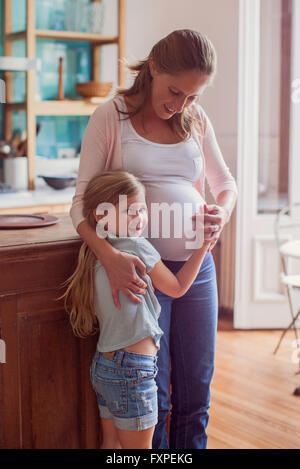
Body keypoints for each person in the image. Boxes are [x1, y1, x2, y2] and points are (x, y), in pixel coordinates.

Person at [70, 29, 238, 449]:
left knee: (197, 390)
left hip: (196, 271)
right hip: (139, 275)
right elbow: (78, 207)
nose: (180, 105)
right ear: (154, 69)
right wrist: (109, 257)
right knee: (152, 393)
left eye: (193, 97)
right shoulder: (112, 117)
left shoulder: (195, 120)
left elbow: (225, 184)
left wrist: (220, 214)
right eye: (175, 91)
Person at [62, 170, 209, 449]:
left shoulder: (96, 252)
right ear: (101, 215)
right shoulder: (138, 247)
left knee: (112, 446)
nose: (140, 218)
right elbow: (176, 288)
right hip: (134, 371)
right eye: (130, 211)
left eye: (142, 210)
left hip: (104, 367)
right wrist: (204, 247)